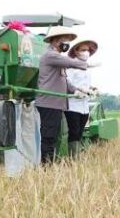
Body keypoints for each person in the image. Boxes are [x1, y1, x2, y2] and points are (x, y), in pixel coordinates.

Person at [36, 26, 95, 163]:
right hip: (48, 102)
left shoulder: (57, 57)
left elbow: (64, 81)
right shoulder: (51, 55)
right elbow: (70, 62)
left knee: (53, 136)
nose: (67, 44)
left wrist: (76, 90)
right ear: (55, 41)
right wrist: (87, 65)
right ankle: (46, 165)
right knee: (49, 136)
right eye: (65, 40)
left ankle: (50, 162)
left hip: (55, 103)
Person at [65, 37, 100, 157]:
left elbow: (85, 84)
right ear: (75, 51)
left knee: (80, 132)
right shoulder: (70, 67)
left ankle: (77, 154)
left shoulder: (87, 69)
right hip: (73, 105)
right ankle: (73, 157)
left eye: (88, 50)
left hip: (84, 105)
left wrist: (92, 88)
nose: (86, 52)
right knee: (73, 132)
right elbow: (67, 83)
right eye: (83, 49)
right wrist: (78, 90)